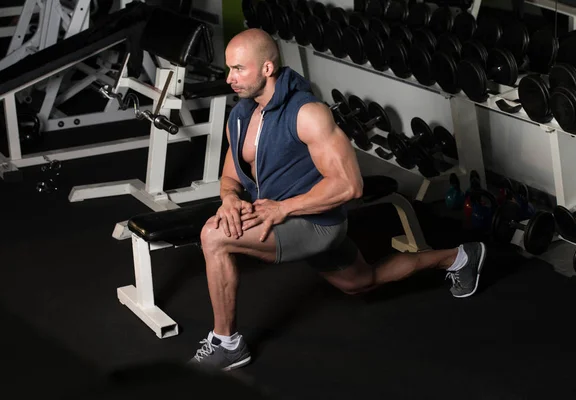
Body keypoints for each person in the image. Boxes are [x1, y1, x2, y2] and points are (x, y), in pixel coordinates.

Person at [188, 29, 487, 371]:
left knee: (214, 236)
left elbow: (349, 186)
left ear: (267, 68)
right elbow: (230, 177)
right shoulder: (241, 115)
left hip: (317, 222)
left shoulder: (308, 113)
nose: (230, 78)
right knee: (361, 282)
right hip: (280, 217)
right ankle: (458, 257)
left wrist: (283, 207)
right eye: (229, 69)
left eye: (239, 69)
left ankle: (227, 343)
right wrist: (228, 199)